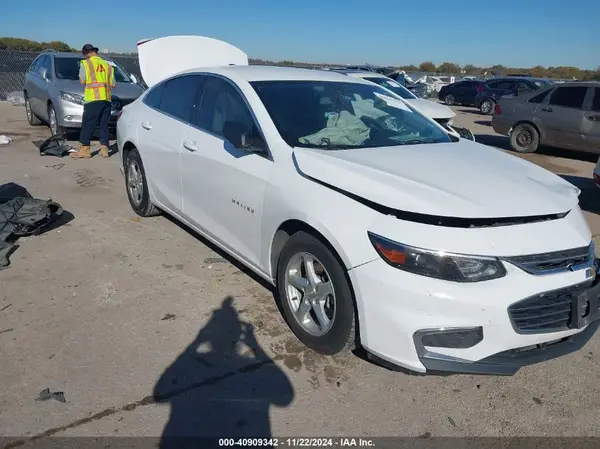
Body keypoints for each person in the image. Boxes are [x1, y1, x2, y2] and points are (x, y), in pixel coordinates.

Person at [70, 44, 116, 159]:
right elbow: (113, 84)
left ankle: (85, 149)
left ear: (87, 53)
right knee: (104, 125)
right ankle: (104, 149)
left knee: (88, 124)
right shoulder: (108, 65)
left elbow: (82, 81)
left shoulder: (86, 63)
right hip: (107, 99)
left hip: (93, 99)